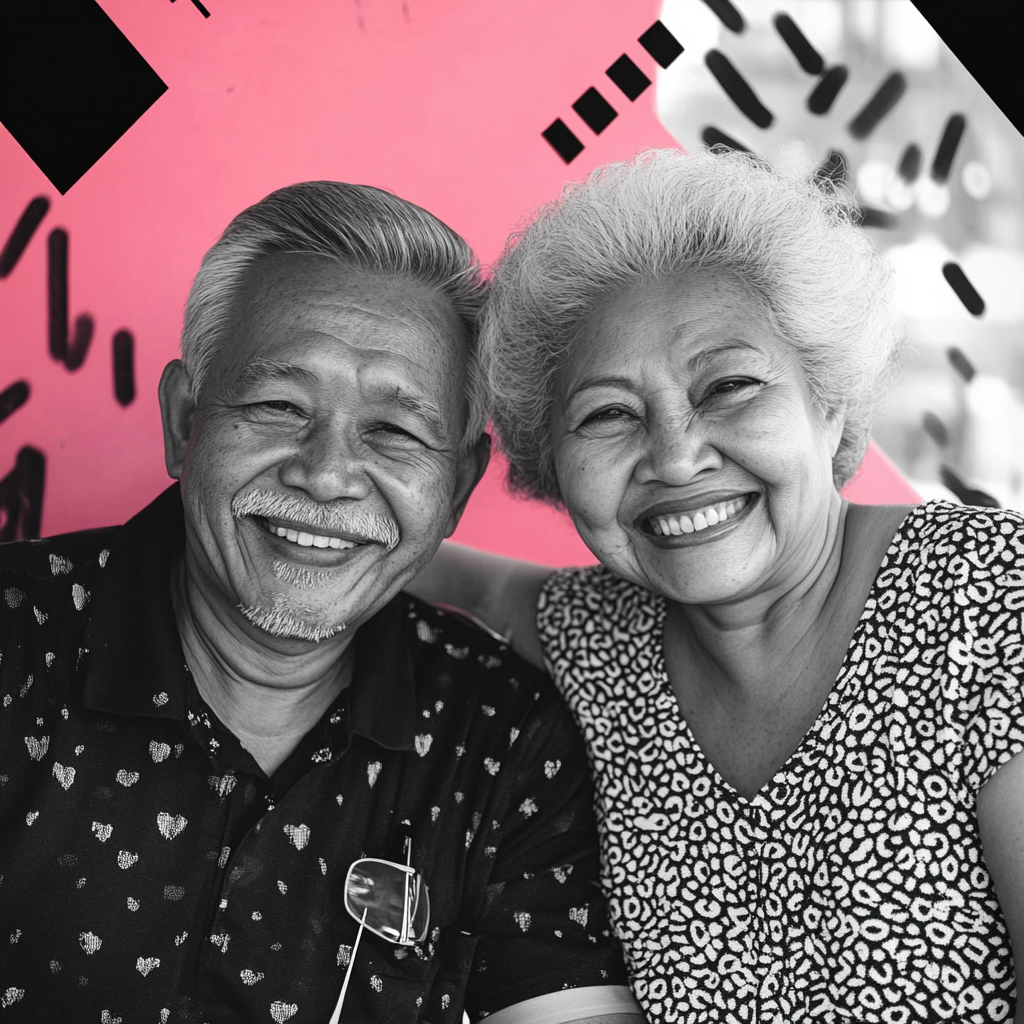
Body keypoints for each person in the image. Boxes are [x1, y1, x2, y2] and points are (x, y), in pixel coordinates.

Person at [0, 182, 647, 1024]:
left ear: (456, 490)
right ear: (183, 424)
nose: (327, 473)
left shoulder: (507, 746)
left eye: (395, 431)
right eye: (278, 405)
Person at [408, 148, 1024, 1024]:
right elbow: (430, 568)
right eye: (608, 414)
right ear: (554, 465)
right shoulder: (598, 640)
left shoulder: (992, 598)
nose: (675, 455)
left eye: (730, 386)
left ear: (831, 401)